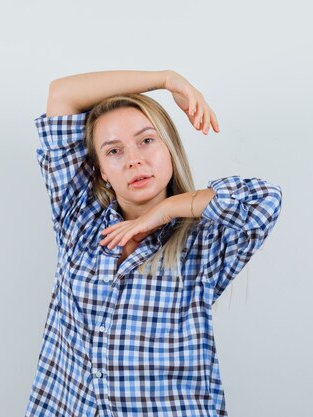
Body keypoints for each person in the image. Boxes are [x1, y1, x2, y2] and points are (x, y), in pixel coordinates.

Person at [24, 70, 283, 417]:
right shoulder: (80, 219)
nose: (133, 159)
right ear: (102, 171)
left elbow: (265, 200)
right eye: (114, 150)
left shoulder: (203, 242)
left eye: (146, 141)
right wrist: (166, 80)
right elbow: (62, 94)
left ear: (169, 148)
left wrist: (164, 210)